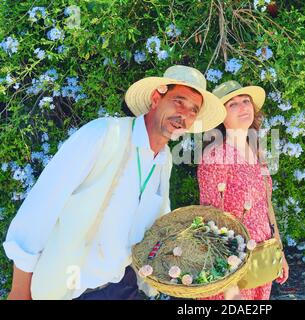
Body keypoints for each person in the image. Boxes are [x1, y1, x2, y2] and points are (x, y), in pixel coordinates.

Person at [3, 65, 226, 300]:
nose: (185, 115)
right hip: (72, 289)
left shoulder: (164, 159)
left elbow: (158, 228)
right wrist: (19, 291)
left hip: (124, 285)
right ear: (155, 98)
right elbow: (40, 208)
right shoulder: (104, 134)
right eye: (179, 101)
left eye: (193, 110)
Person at [197, 80, 289, 300]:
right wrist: (229, 285)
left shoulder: (256, 150)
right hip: (232, 264)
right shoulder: (215, 156)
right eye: (233, 104)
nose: (243, 107)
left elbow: (266, 205)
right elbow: (210, 221)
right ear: (221, 116)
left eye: (246, 101)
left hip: (262, 258)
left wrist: (279, 252)